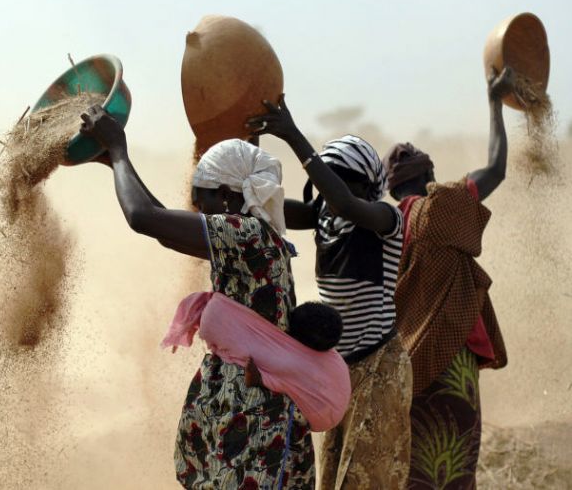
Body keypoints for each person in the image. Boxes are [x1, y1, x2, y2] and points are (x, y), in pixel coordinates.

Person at [79, 106, 315, 489]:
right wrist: (114, 162)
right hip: (241, 401)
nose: (198, 209)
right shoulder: (249, 237)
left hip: (253, 411)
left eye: (201, 199)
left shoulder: (248, 234)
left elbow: (143, 217)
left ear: (225, 195)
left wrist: (120, 150)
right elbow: (162, 226)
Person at [248, 97, 412, 489]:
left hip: (380, 368)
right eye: (327, 178)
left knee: (367, 480)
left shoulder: (385, 219)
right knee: (334, 478)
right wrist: (250, 143)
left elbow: (343, 200)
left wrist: (291, 135)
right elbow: (262, 208)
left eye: (344, 179)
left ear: (367, 186)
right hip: (337, 370)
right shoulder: (324, 215)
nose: (330, 190)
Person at [384, 67, 514, 489]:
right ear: (431, 178)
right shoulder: (442, 207)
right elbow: (495, 167)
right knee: (453, 468)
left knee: (412, 470)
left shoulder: (378, 224)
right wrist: (494, 102)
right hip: (449, 363)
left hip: (398, 368)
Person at [162, 295, 350, 432]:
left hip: (319, 416)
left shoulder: (286, 360)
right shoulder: (332, 357)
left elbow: (264, 380)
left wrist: (259, 380)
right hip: (334, 408)